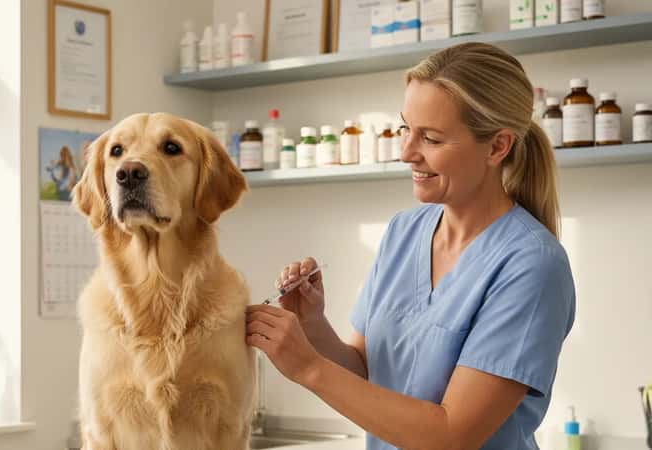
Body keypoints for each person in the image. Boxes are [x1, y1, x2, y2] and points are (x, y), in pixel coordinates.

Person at [245, 42, 576, 450]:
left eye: (432, 139)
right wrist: (312, 325)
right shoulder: (405, 232)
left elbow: (451, 434)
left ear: (496, 147)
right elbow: (368, 372)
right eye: (406, 128)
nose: (406, 153)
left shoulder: (532, 265)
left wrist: (308, 368)